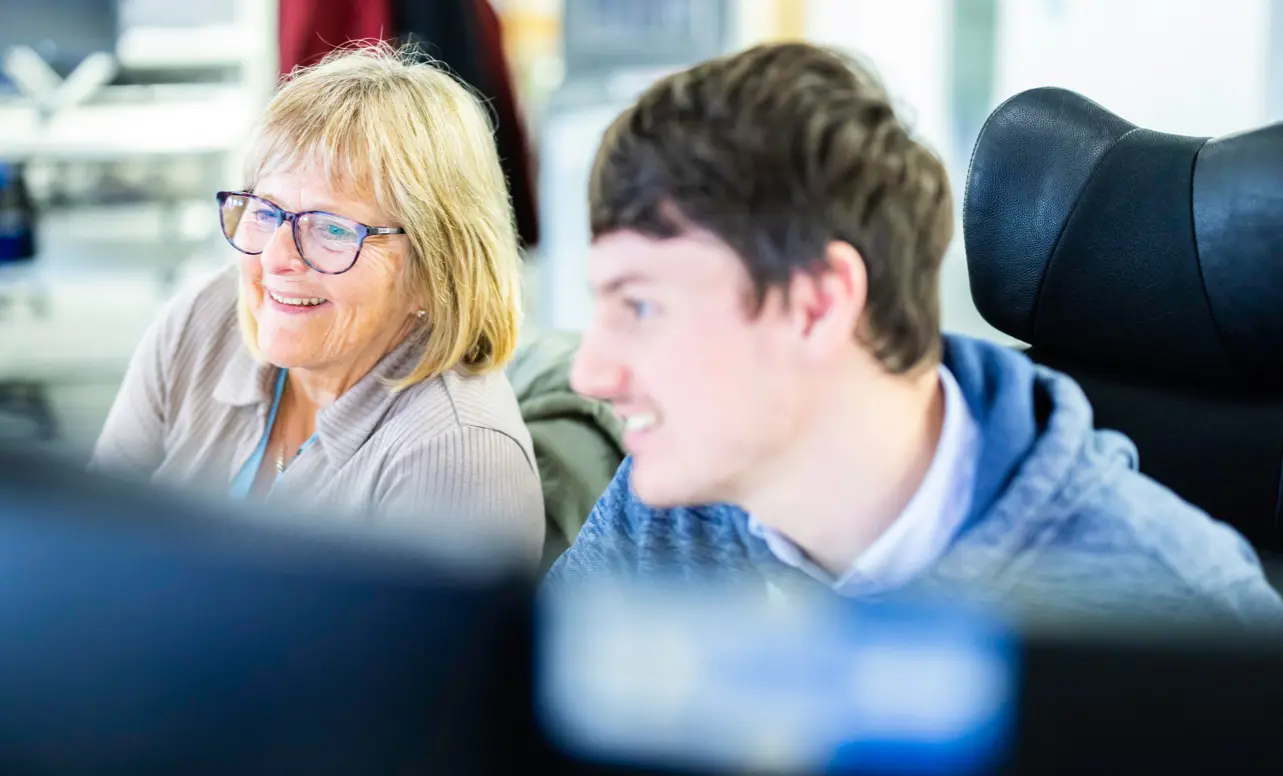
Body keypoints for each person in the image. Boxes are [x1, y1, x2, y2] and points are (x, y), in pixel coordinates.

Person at [545, 41, 1283, 623]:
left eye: (639, 307)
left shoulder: (1179, 606)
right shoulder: (670, 512)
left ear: (816, 305)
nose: (592, 373)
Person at [91, 44, 544, 563]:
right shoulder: (205, 317)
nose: (276, 258)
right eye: (266, 211)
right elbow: (85, 545)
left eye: (331, 228)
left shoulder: (459, 457)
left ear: (434, 265)